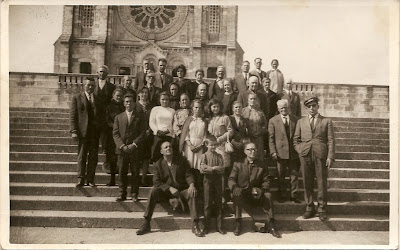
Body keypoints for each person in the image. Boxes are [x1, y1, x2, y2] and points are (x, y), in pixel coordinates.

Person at [136, 141, 205, 237]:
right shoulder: (158, 164)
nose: (168, 148)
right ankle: (146, 223)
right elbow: (156, 182)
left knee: (192, 192)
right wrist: (169, 188)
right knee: (153, 190)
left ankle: (195, 225)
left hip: (181, 190)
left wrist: (192, 185)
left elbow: (188, 174)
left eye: (170, 147)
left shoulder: (181, 160)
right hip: (166, 193)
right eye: (166, 147)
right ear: (161, 151)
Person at [293, 96, 335, 221]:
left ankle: (321, 209)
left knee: (321, 182)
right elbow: (296, 139)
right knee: (307, 182)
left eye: (314, 106)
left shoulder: (326, 121)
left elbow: (331, 140)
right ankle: (309, 207)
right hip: (305, 155)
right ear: (306, 108)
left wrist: (330, 156)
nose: (312, 108)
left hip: (320, 155)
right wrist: (300, 150)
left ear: (318, 107)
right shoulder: (301, 122)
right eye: (309, 106)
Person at [228, 142, 281, 238]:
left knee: (268, 195)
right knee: (236, 193)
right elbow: (231, 179)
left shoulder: (262, 165)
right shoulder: (238, 164)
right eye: (249, 149)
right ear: (245, 151)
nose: (252, 152)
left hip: (256, 194)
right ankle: (238, 223)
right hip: (243, 194)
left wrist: (260, 190)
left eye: (254, 149)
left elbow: (266, 181)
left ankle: (272, 225)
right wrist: (235, 187)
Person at [113, 94, 146, 202]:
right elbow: (116, 134)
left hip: (134, 149)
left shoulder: (139, 117)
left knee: (135, 172)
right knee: (122, 171)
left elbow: (142, 133)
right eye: (126, 101)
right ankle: (122, 193)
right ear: (123, 103)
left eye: (131, 101)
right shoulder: (118, 117)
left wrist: (134, 144)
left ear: (134, 103)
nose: (129, 104)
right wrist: (122, 146)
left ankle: (134, 193)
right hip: (122, 150)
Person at [268, 99, 300, 203]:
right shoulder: (273, 120)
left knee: (294, 175)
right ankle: (282, 195)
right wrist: (273, 151)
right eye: (281, 108)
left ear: (288, 108)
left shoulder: (295, 120)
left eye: (285, 107)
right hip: (280, 152)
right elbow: (271, 138)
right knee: (280, 175)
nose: (283, 109)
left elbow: (299, 136)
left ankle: (294, 195)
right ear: (278, 109)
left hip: (293, 152)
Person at [70, 77, 100, 187]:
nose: (90, 87)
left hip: (94, 133)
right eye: (88, 85)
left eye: (92, 85)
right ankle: (80, 178)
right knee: (82, 156)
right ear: (84, 85)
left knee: (93, 157)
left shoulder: (97, 99)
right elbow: (73, 115)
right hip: (83, 132)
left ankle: (90, 179)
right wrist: (74, 130)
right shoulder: (77, 98)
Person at [199, 135, 226, 235]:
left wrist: (209, 168)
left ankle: (220, 226)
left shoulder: (219, 156)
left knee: (219, 203)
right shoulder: (204, 156)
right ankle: (206, 226)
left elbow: (222, 169)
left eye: (215, 145)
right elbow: (202, 169)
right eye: (211, 145)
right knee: (207, 204)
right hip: (207, 181)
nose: (213, 147)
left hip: (218, 181)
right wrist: (214, 169)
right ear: (206, 145)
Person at [93, 65, 116, 169]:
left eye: (104, 72)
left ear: (107, 74)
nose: (102, 74)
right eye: (100, 72)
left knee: (107, 141)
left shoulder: (111, 87)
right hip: (95, 117)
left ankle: (107, 164)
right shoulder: (92, 86)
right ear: (97, 73)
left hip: (106, 118)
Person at [104, 88, 125, 186]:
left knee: (121, 158)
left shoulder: (124, 106)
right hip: (111, 134)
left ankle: (121, 179)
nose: (119, 98)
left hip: (123, 135)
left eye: (121, 96)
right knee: (112, 158)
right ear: (113, 96)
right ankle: (112, 179)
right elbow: (107, 120)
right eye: (117, 96)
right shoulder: (109, 107)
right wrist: (116, 127)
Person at [134, 87, 154, 186]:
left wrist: (150, 130)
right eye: (142, 93)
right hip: (137, 135)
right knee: (137, 157)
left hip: (148, 135)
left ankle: (144, 178)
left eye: (146, 93)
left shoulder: (151, 107)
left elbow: (154, 120)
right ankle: (136, 178)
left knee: (146, 157)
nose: (144, 94)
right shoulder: (134, 106)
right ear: (138, 94)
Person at [149, 92, 176, 162]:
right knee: (157, 157)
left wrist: (173, 136)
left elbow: (174, 124)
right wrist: (157, 131)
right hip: (158, 136)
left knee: (168, 157)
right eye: (163, 99)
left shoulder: (172, 111)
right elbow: (151, 122)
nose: (164, 101)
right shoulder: (155, 109)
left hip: (169, 136)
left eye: (166, 99)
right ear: (159, 100)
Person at [242, 93, 268, 163]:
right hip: (248, 139)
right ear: (248, 100)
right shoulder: (243, 111)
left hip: (259, 138)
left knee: (259, 157)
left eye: (254, 99)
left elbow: (265, 124)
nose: (253, 100)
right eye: (251, 99)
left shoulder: (260, 112)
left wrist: (259, 132)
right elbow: (241, 124)